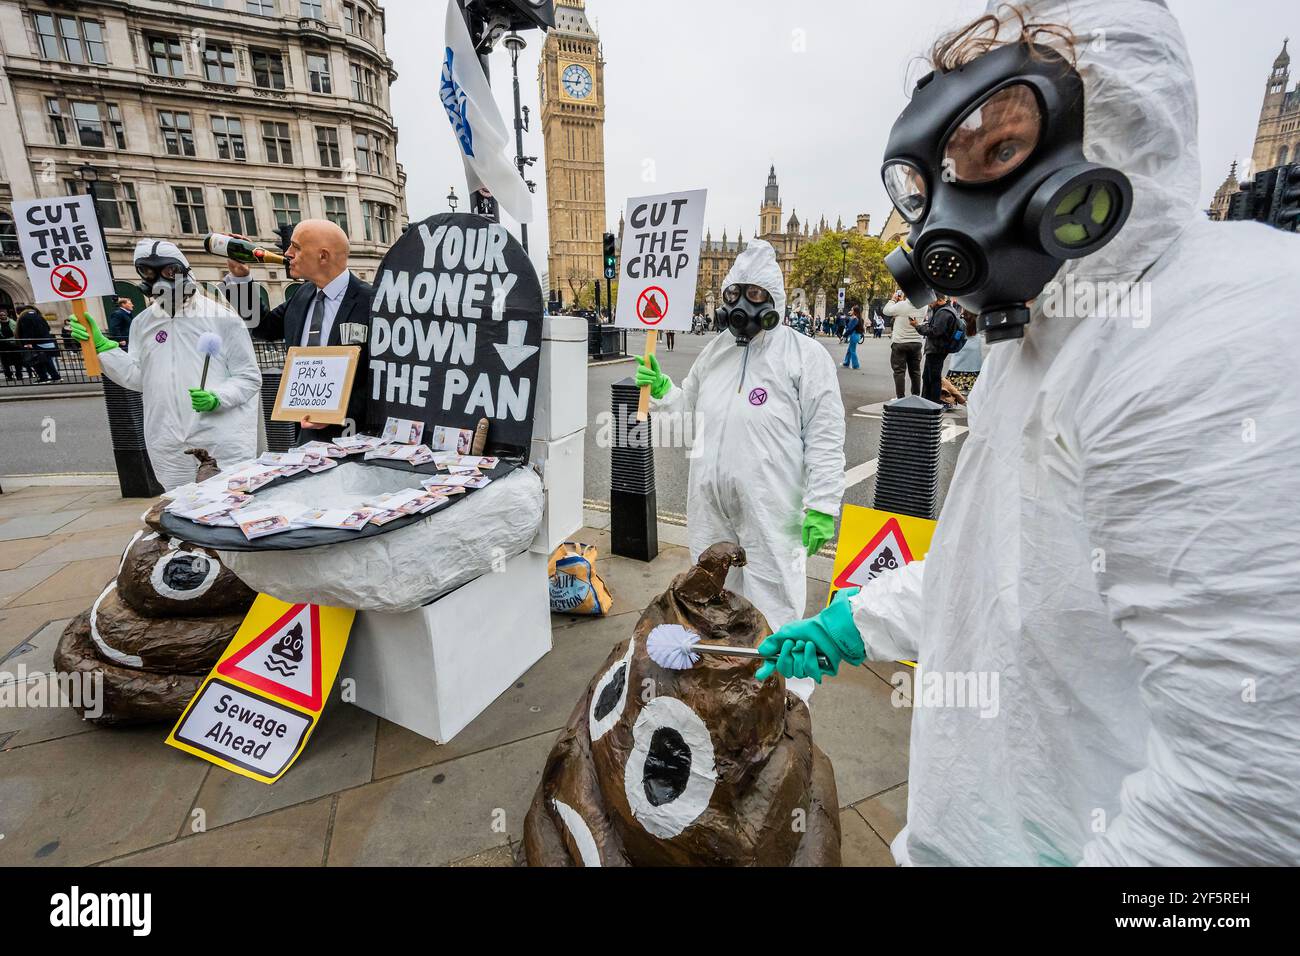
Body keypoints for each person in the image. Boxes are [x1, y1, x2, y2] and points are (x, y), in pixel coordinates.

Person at [754, 0, 1300, 867]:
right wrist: (857, 621)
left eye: (1001, 150)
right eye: (944, 176)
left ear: (1115, 130)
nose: (955, 212)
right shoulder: (1039, 338)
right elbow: (997, 573)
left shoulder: (1222, 331)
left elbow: (1253, 804)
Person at [634, 239, 845, 702]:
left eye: (755, 295)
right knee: (712, 593)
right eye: (735, 294)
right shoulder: (715, 352)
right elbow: (686, 410)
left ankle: (786, 696)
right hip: (710, 502)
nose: (742, 306)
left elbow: (826, 436)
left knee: (775, 599)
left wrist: (823, 505)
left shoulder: (804, 356)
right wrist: (664, 388)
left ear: (774, 301)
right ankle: (723, 678)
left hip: (773, 507)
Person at [70, 239, 261, 490]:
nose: (161, 280)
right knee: (180, 513)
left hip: (220, 438)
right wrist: (104, 350)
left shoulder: (222, 319)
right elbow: (139, 377)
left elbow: (248, 377)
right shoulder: (142, 324)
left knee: (230, 507)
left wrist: (218, 397)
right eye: (149, 272)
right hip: (168, 440)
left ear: (185, 270)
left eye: (170, 271)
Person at [223, 219, 373, 442]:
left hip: (354, 437)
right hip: (304, 436)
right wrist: (240, 277)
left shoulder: (372, 302)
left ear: (323, 256)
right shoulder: (302, 295)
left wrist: (339, 412)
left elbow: (384, 378)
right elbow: (263, 327)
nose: (287, 253)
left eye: (296, 247)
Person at [913, 295, 960, 406]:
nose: (929, 304)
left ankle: (932, 403)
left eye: (930, 301)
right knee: (928, 377)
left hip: (937, 349)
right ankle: (926, 401)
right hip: (937, 348)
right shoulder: (945, 310)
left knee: (933, 378)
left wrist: (918, 326)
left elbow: (935, 331)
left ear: (938, 300)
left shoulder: (944, 313)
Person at [883, 289, 925, 398]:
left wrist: (893, 300)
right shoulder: (924, 307)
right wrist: (902, 302)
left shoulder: (901, 306)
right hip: (916, 342)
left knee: (899, 372)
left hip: (900, 343)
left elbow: (886, 311)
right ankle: (916, 396)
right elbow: (908, 309)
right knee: (915, 371)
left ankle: (900, 397)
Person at [17, 306, 60, 383]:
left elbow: (27, 331)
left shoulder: (24, 318)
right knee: (47, 360)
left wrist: (28, 342)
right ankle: (55, 376)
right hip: (47, 340)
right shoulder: (39, 316)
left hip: (36, 343)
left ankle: (44, 378)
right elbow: (48, 328)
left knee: (36, 361)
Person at [946, 308, 982, 399]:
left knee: (957, 365)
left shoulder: (961, 322)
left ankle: (956, 390)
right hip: (974, 347)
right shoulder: (978, 322)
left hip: (962, 347)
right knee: (973, 366)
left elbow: (957, 336)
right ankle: (970, 388)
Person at [0, 310, 25, 382]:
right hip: (3, 345)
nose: (2, 316)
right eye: (1, 315)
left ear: (7, 315)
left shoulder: (13, 322)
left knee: (17, 361)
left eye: (4, 315)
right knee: (5, 362)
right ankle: (9, 376)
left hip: (14, 344)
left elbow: (18, 331)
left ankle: (19, 375)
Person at [842, 306, 862, 370]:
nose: (850, 311)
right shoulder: (855, 318)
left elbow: (850, 329)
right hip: (856, 335)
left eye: (852, 310)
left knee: (852, 350)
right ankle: (846, 362)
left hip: (854, 335)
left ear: (855, 311)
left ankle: (856, 365)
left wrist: (844, 336)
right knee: (849, 350)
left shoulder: (855, 319)